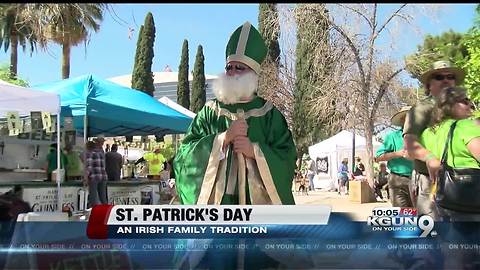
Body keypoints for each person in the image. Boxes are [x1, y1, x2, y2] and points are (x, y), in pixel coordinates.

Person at [173, 21, 297, 206]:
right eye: (229, 67)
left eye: (239, 68)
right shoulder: (210, 112)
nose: (232, 73)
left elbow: (287, 159)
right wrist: (222, 139)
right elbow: (184, 157)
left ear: (253, 73)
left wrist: (255, 151)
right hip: (218, 206)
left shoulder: (269, 115)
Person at [403, 60, 464, 220]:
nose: (445, 80)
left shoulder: (463, 107)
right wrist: (430, 158)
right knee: (433, 233)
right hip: (430, 181)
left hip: (463, 180)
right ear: (429, 86)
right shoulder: (421, 109)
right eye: (438, 77)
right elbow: (410, 144)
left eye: (450, 77)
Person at [419, 86, 479, 221]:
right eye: (465, 100)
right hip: (472, 198)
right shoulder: (465, 126)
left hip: (445, 198)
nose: (470, 104)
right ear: (449, 105)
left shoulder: (428, 133)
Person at [375, 106, 414, 207]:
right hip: (398, 179)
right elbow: (378, 157)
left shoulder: (424, 135)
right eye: (408, 117)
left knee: (421, 214)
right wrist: (398, 153)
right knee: (403, 214)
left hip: (419, 179)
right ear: (402, 120)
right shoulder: (392, 137)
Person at [85, 139, 108, 207]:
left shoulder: (90, 153)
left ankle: (95, 213)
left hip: (94, 177)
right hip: (103, 176)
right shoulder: (101, 153)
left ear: (88, 147)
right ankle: (106, 212)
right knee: (103, 197)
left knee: (93, 197)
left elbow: (89, 167)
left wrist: (85, 177)